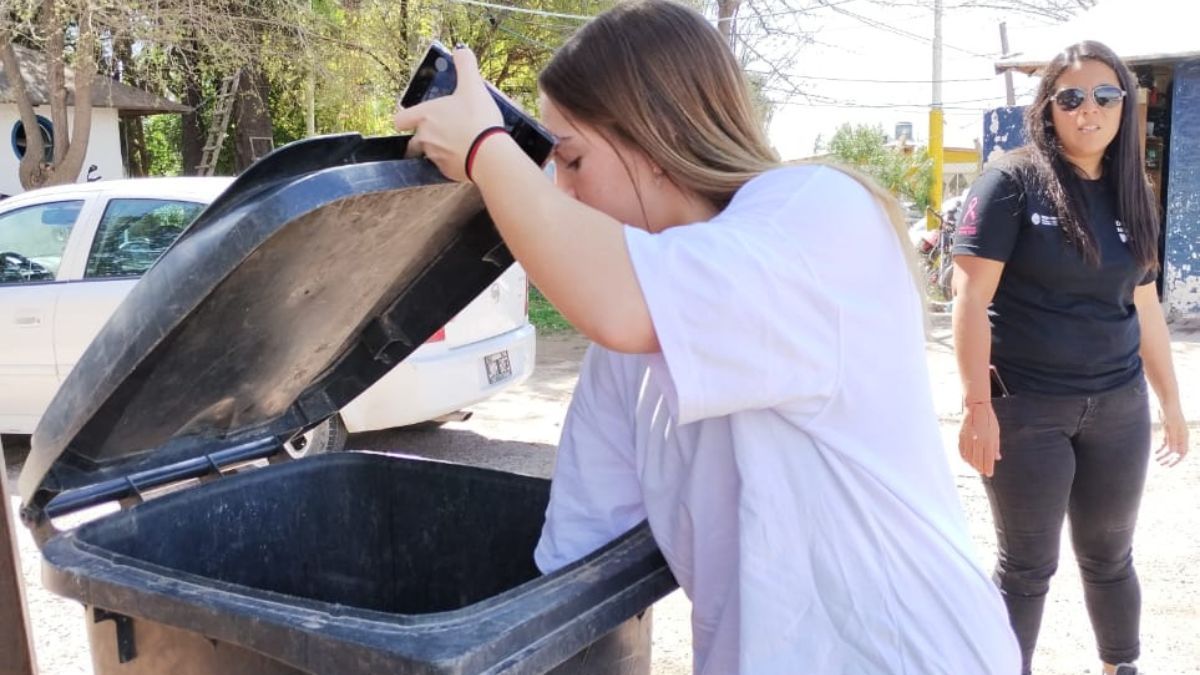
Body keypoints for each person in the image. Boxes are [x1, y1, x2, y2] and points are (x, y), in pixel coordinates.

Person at [394, 1, 1019, 672]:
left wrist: (489, 152)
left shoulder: (817, 211)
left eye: (572, 162)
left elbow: (620, 298)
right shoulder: (630, 340)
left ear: (656, 138)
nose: (563, 191)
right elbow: (575, 555)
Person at [951, 40, 1190, 675]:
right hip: (1027, 408)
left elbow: (1144, 306)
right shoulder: (1011, 182)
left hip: (1117, 406)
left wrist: (1170, 401)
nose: (1091, 110)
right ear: (1049, 108)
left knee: (1111, 556)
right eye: (1072, 98)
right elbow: (970, 300)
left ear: (1125, 106)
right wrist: (977, 407)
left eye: (1106, 96)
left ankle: (1121, 667)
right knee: (1028, 566)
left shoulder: (1131, 191)